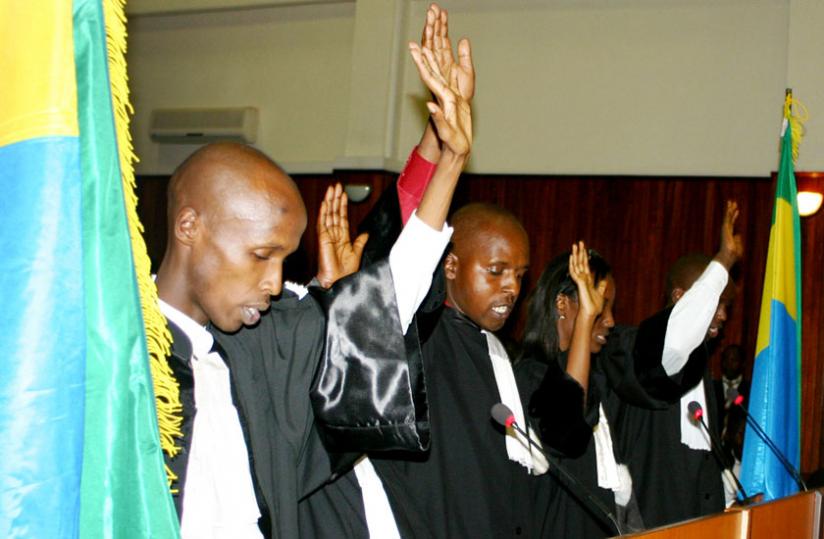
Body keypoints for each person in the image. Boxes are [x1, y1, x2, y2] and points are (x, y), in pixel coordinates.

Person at [151, 18, 472, 534]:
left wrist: (450, 157)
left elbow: (378, 310)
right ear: (190, 227)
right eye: (261, 255)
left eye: (284, 261)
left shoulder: (258, 346)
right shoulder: (117, 355)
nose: (277, 283)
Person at [618, 201, 745, 528]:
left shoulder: (703, 369)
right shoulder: (645, 350)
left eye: (727, 306)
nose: (723, 316)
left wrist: (733, 498)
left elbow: (703, 458)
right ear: (679, 297)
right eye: (717, 304)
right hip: (654, 525)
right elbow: (675, 340)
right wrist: (724, 260)